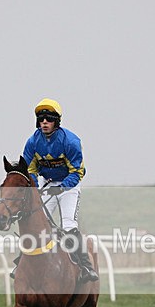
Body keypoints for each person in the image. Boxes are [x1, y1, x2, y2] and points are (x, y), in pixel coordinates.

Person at [10, 98, 98, 282]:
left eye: (48, 119)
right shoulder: (32, 142)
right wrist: (35, 187)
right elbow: (30, 170)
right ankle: (20, 262)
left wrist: (63, 187)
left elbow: (78, 171)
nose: (44, 122)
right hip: (48, 185)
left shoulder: (71, 141)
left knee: (68, 225)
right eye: (41, 119)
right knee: (36, 222)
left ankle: (85, 266)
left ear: (56, 121)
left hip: (69, 186)